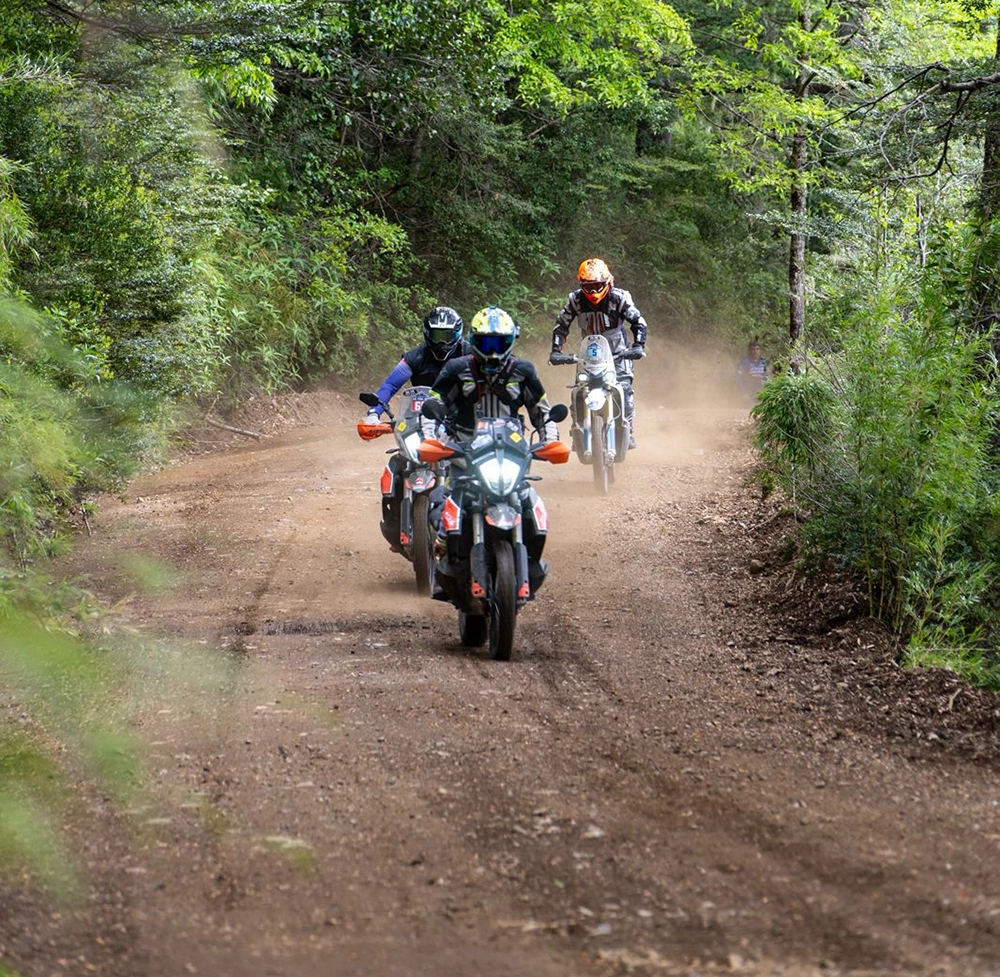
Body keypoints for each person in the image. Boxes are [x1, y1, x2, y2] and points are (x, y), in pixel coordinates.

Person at [423, 306, 560, 598]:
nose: (493, 351)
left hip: (509, 451)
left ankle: (531, 562)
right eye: (486, 343)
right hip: (463, 451)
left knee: (529, 501)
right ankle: (443, 555)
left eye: (498, 343)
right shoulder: (457, 369)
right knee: (444, 497)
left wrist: (550, 440)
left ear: (511, 341)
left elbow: (543, 412)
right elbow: (433, 406)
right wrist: (431, 439)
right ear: (474, 341)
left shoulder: (523, 371)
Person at [361, 306, 469, 551]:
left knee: (475, 469)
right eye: (437, 336)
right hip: (418, 422)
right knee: (398, 464)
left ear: (458, 334)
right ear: (427, 335)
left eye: (448, 336)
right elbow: (390, 385)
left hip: (456, 422)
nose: (443, 343)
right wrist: (374, 413)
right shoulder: (415, 357)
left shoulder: (469, 355)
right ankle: (396, 518)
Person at [549, 257, 648, 448]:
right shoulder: (575, 300)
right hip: (589, 351)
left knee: (624, 388)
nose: (593, 291)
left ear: (607, 282)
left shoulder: (620, 297)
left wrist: (638, 345)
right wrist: (556, 350)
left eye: (598, 285)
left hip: (618, 350)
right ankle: (578, 429)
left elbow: (638, 322)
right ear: (581, 285)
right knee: (579, 389)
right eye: (589, 286)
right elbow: (561, 325)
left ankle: (628, 430)